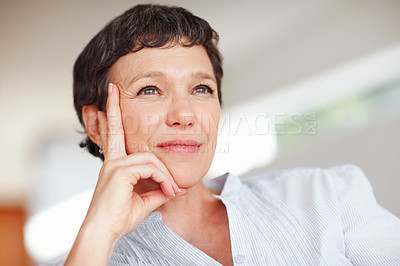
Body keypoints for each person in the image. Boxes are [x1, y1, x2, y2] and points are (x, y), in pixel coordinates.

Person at [51, 4, 400, 265]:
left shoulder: (328, 197)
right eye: (149, 90)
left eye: (201, 89)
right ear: (98, 125)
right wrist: (98, 230)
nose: (185, 114)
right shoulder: (92, 255)